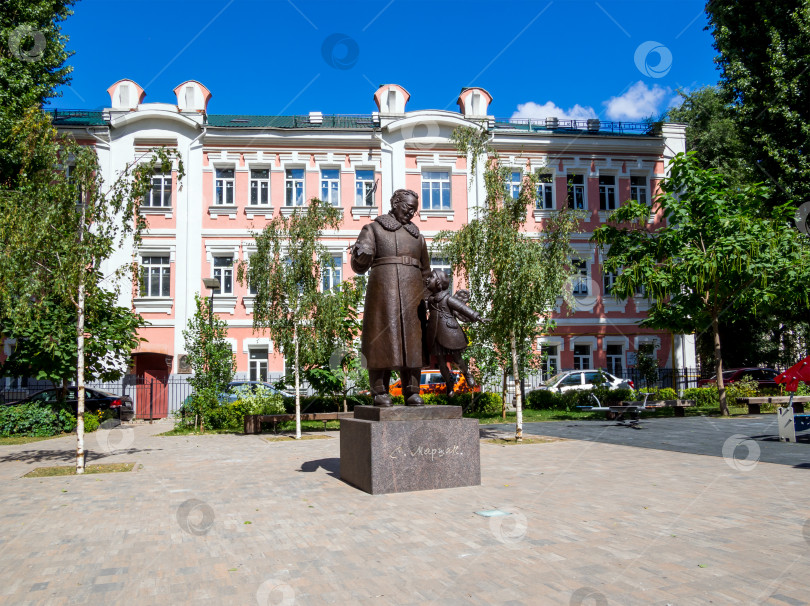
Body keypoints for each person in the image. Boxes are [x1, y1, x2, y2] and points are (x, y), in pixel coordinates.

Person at [351, 189, 431, 406]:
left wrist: (430, 296)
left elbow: (426, 272)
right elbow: (358, 264)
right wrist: (361, 254)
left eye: (414, 209)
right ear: (395, 203)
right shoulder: (374, 228)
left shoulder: (418, 236)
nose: (412, 212)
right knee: (381, 340)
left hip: (413, 294)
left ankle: (412, 391)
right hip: (383, 291)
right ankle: (379, 391)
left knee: (414, 343)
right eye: (408, 207)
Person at [424, 269, 487, 397]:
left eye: (430, 277)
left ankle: (467, 373)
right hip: (434, 333)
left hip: (449, 332)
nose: (427, 279)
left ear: (437, 283)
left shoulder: (447, 298)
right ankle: (449, 383)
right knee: (441, 362)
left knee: (457, 358)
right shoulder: (430, 300)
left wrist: (478, 317)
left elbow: (462, 308)